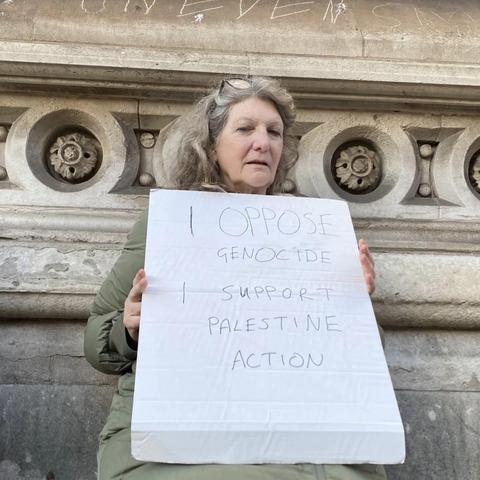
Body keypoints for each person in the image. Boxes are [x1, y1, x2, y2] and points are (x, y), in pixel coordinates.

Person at [84, 76, 385, 480]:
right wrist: (129, 327)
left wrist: (355, 304)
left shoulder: (310, 233)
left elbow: (357, 362)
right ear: (210, 145)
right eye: (245, 129)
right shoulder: (170, 224)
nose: (263, 142)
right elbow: (95, 344)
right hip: (178, 433)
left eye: (274, 132)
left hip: (291, 428)